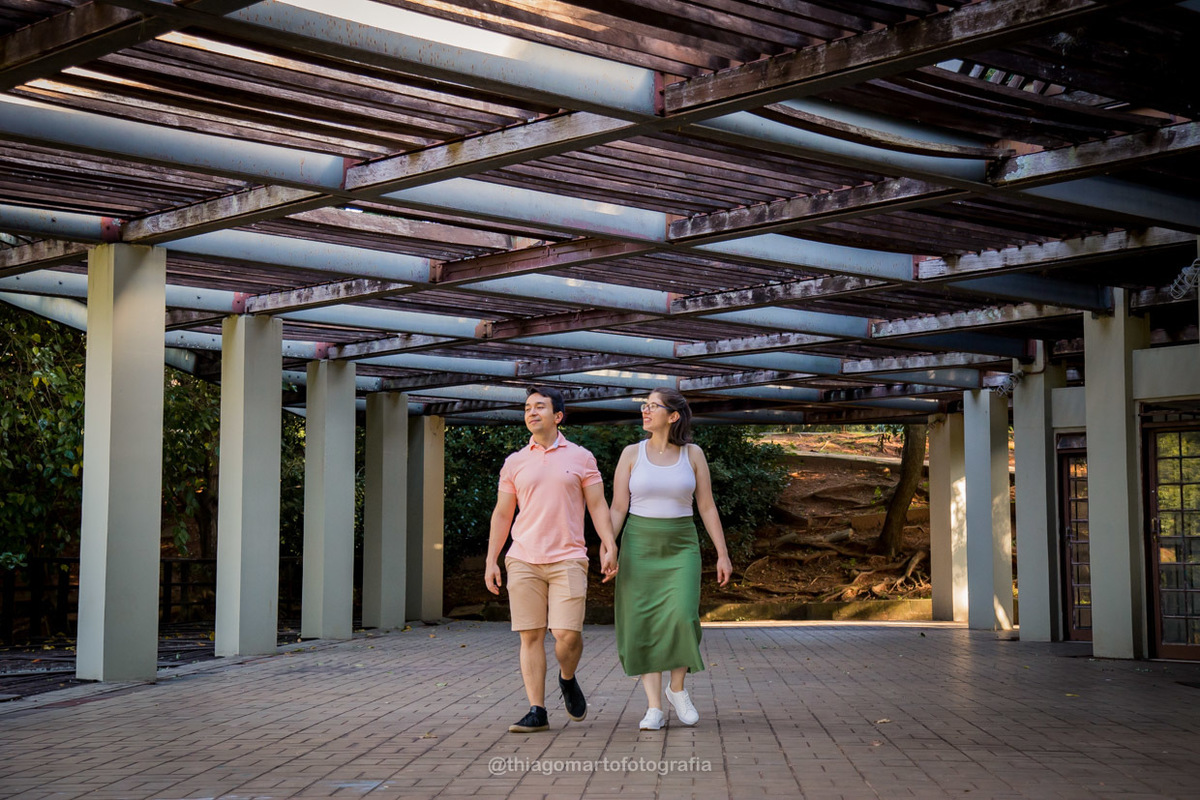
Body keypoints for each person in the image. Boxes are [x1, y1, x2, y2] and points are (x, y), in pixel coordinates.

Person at [485, 386, 619, 733]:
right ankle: (537, 710)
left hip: (568, 557)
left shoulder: (581, 457)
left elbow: (597, 505)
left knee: (566, 634)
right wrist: (491, 559)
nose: (531, 412)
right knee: (530, 636)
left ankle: (567, 677)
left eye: (539, 407)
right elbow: (503, 513)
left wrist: (609, 544)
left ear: (558, 416)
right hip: (523, 558)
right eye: (527, 408)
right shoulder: (515, 462)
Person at [610, 387, 732, 730]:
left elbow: (707, 506)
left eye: (653, 406)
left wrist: (722, 553)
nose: (645, 411)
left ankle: (677, 688)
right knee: (644, 623)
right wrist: (608, 545)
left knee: (683, 616)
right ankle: (654, 708)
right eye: (644, 405)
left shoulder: (693, 454)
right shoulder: (631, 454)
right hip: (639, 546)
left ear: (673, 415)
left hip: (681, 545)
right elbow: (617, 507)